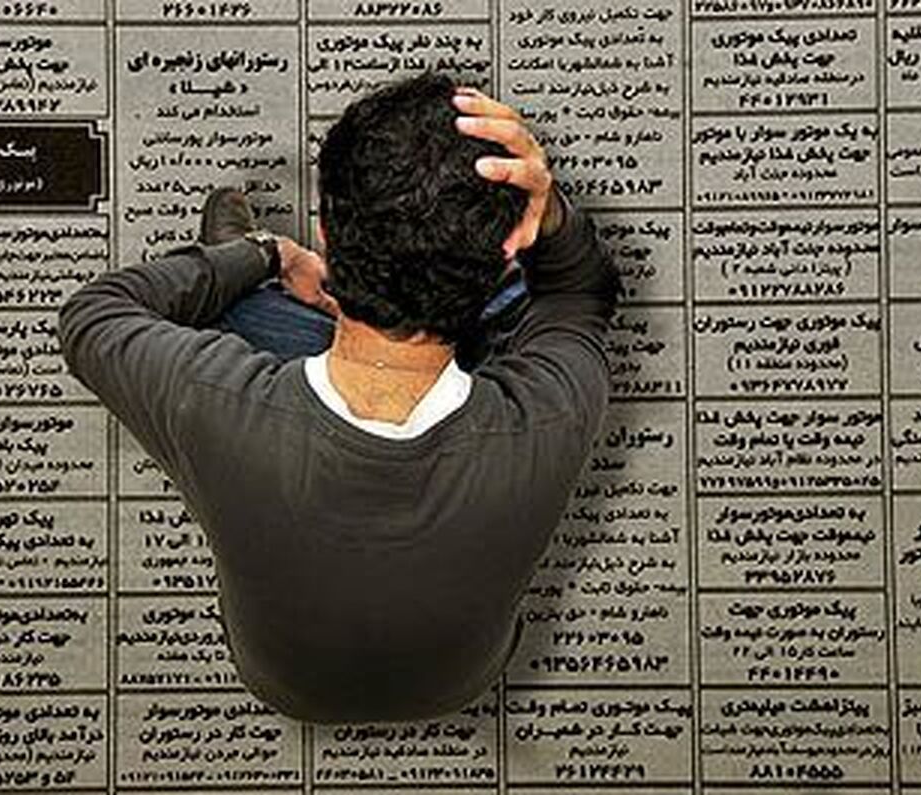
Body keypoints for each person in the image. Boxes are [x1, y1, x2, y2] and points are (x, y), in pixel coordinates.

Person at [59, 73, 620, 723]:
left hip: (279, 681)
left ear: (326, 231)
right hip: (461, 683)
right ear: (505, 251)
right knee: (525, 306)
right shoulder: (553, 412)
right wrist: (545, 212)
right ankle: (449, 286)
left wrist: (266, 254)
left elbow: (93, 315)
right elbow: (582, 291)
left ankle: (242, 267)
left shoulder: (207, 399)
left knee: (243, 312)